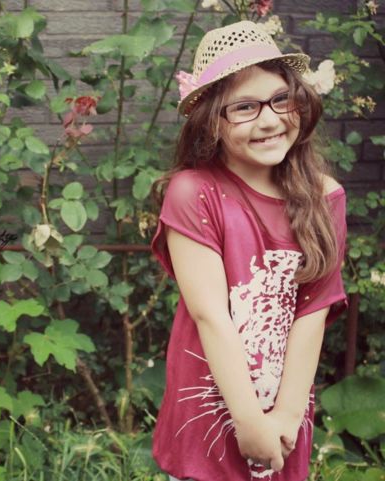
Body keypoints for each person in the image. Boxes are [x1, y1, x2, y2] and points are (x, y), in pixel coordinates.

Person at [149, 20, 348, 481]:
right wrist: (249, 421)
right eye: (244, 107)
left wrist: (285, 417)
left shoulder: (325, 196)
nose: (271, 119)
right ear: (211, 122)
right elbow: (210, 315)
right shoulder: (194, 192)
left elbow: (313, 308)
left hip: (284, 412)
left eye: (281, 98)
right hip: (210, 413)